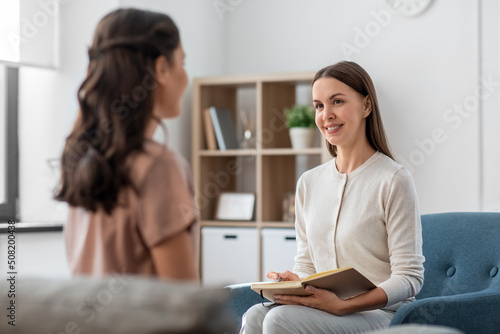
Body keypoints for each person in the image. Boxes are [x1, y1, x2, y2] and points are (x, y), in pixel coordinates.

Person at [240, 61, 424, 333]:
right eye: (319, 105)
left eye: (337, 101)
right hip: (328, 309)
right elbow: (306, 264)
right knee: (256, 315)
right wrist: (296, 283)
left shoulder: (393, 179)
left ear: (366, 106)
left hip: (380, 315)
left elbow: (409, 278)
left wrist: (344, 305)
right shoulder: (309, 183)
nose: (326, 114)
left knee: (278, 320)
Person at [55, 8, 198, 280]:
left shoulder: (79, 156)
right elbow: (182, 304)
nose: (186, 77)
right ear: (161, 69)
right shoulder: (158, 165)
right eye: (183, 62)